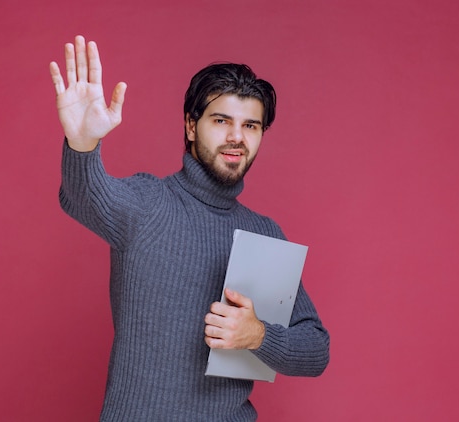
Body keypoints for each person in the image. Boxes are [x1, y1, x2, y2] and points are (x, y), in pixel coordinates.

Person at [49, 35, 329, 421]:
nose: (237, 137)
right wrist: (82, 144)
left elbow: (315, 349)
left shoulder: (264, 234)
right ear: (191, 126)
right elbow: (84, 196)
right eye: (221, 121)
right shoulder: (149, 204)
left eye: (251, 125)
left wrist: (259, 335)